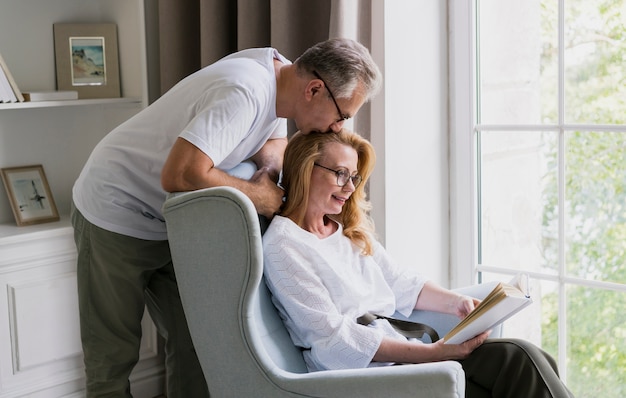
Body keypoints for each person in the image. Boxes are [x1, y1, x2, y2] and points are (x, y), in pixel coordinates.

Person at [70, 38, 382, 397]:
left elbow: (273, 142)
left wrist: (268, 168)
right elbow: (181, 174)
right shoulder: (244, 91)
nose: (338, 128)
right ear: (315, 89)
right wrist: (259, 195)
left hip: (173, 223)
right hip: (117, 209)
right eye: (342, 114)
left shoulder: (281, 79)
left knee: (198, 346)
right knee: (112, 356)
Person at [262, 130, 574, 397]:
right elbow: (333, 338)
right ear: (305, 169)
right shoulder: (284, 245)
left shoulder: (345, 232)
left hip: (401, 357)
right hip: (364, 376)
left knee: (536, 361)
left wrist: (459, 304)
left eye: (354, 177)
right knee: (519, 359)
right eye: (340, 173)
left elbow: (401, 282)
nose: (350, 187)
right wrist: (433, 354)